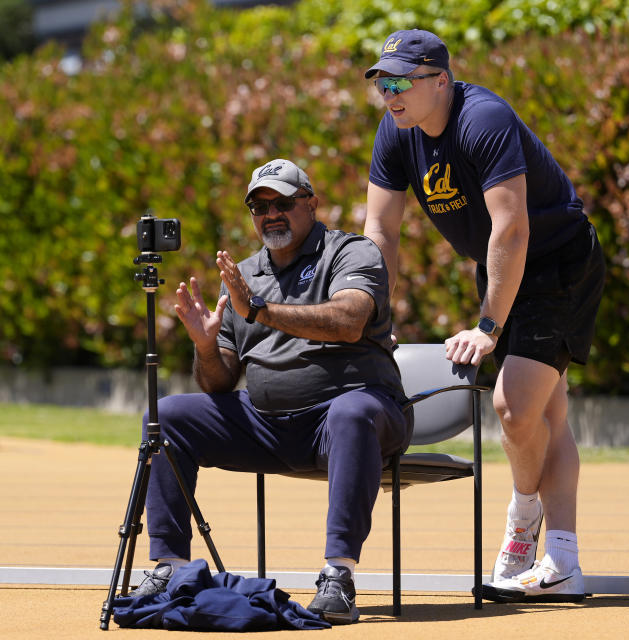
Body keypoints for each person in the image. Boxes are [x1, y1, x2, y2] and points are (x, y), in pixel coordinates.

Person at [362, 29, 605, 602]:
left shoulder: (483, 119)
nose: (390, 94)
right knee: (548, 416)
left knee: (514, 409)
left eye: (402, 82)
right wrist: (375, 311)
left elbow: (512, 226)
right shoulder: (396, 134)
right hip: (504, 264)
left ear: (440, 80)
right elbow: (381, 230)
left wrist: (488, 326)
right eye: (383, 84)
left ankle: (523, 520)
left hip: (557, 262)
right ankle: (564, 561)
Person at [132, 158, 412, 625]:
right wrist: (205, 346)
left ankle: (337, 575)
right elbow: (220, 381)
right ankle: (171, 568)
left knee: (351, 412)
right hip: (268, 423)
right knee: (169, 415)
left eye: (283, 202)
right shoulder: (244, 275)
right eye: (259, 207)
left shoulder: (350, 253)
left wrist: (260, 310)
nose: (271, 214)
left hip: (352, 415)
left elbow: (347, 322)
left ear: (312, 203)